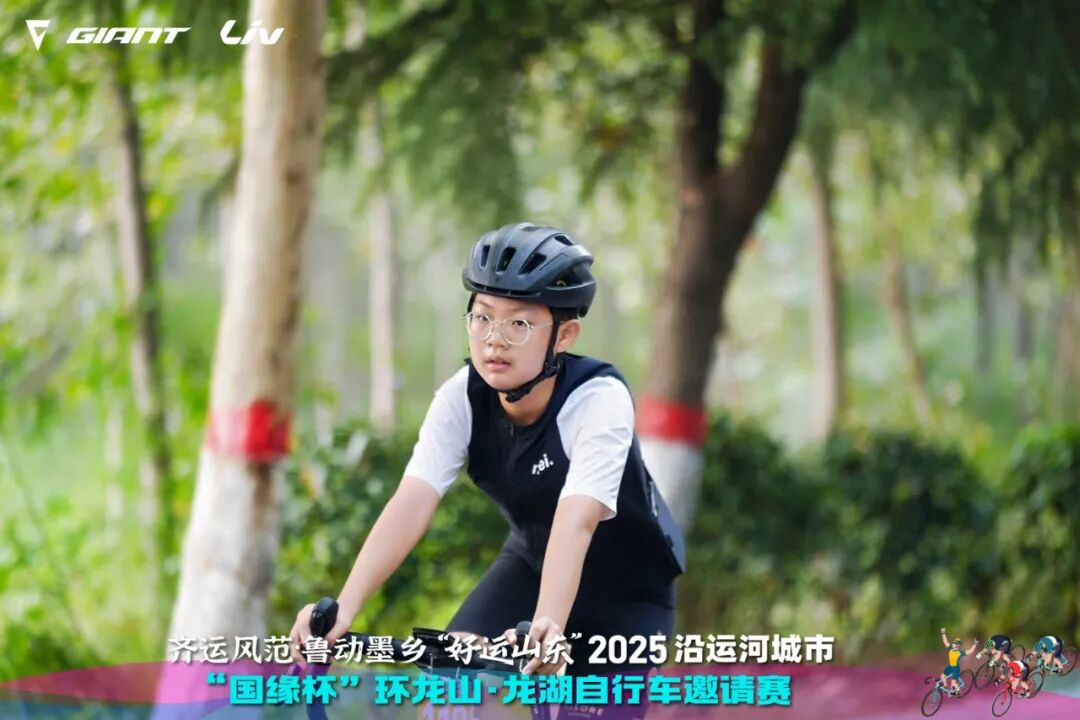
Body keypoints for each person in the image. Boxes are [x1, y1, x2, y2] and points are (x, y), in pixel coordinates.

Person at [290, 223, 686, 716]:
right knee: (449, 694)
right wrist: (343, 609)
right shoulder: (461, 397)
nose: (494, 340)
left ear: (564, 336)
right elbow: (412, 499)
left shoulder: (599, 400)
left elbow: (576, 521)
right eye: (482, 318)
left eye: (519, 324)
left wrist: (547, 627)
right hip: (530, 566)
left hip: (627, 595)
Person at [938, 628, 977, 694]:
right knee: (942, 676)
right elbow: (945, 641)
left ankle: (958, 691)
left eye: (955, 643)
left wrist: (975, 643)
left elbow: (970, 651)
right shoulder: (950, 649)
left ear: (957, 645)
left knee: (953, 683)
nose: (953, 644)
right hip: (950, 666)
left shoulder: (959, 653)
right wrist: (943, 633)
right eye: (953, 643)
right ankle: (945, 686)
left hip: (955, 668)